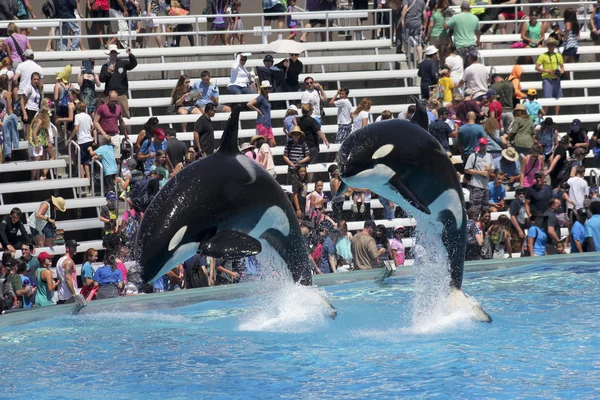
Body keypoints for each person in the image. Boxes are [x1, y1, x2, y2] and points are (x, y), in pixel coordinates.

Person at [99, 46, 137, 119]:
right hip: (109, 96)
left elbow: (133, 64)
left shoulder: (123, 63)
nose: (113, 54)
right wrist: (108, 71)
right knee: (108, 117)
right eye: (112, 52)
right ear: (109, 54)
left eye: (115, 52)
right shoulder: (105, 66)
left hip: (121, 94)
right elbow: (101, 79)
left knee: (125, 117)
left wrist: (130, 54)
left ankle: (125, 131)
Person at [297, 104, 329, 183]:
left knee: (303, 164)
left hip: (302, 145)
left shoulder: (299, 121)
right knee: (311, 165)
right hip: (312, 145)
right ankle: (309, 182)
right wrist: (325, 140)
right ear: (310, 111)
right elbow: (318, 131)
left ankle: (302, 181)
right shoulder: (312, 120)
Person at [94, 90, 129, 162]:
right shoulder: (102, 108)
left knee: (117, 158)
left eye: (115, 101)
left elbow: (121, 121)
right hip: (104, 135)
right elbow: (95, 121)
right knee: (104, 158)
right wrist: (103, 133)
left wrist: (125, 134)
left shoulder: (118, 108)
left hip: (115, 135)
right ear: (108, 98)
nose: (113, 103)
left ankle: (116, 173)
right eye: (112, 101)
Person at [445, 2, 480, 67]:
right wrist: (478, 40)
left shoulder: (455, 17)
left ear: (461, 8)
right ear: (469, 9)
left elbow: (445, 26)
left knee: (459, 67)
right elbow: (478, 31)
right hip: (471, 45)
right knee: (471, 67)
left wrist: (446, 18)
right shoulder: (475, 18)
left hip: (459, 46)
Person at [535, 38, 564, 116]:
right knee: (547, 99)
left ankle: (556, 115)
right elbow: (537, 67)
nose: (551, 46)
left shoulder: (558, 55)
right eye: (550, 44)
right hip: (547, 79)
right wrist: (548, 71)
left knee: (558, 98)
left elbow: (562, 67)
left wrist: (561, 73)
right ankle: (544, 116)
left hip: (556, 79)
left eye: (552, 44)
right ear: (547, 46)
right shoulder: (543, 56)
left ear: (555, 46)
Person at [67, 102, 95, 182]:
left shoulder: (77, 116)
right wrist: (88, 131)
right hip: (89, 139)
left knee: (80, 161)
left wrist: (70, 138)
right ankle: (88, 178)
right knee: (86, 161)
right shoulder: (88, 116)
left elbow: (76, 129)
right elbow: (93, 127)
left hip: (82, 141)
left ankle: (82, 178)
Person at [465, 138, 493, 213]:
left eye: (484, 145)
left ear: (487, 145)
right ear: (479, 145)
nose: (482, 147)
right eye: (481, 145)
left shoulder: (489, 156)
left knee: (485, 209)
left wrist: (489, 169)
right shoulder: (473, 155)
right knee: (475, 208)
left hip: (486, 186)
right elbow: (467, 169)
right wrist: (481, 172)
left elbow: (493, 170)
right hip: (476, 185)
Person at [247, 81, 276, 148]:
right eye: (265, 88)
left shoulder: (266, 97)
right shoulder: (261, 97)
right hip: (262, 123)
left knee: (273, 144)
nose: (267, 90)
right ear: (262, 89)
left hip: (268, 123)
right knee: (264, 144)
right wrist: (257, 110)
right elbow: (249, 104)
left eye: (268, 88)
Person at [56, 240, 80, 304]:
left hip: (62, 296)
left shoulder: (60, 260)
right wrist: (74, 294)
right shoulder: (69, 262)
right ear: (67, 248)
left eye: (75, 247)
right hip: (69, 296)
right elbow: (67, 279)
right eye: (73, 247)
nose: (75, 249)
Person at [562, 8, 580, 77]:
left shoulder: (568, 23)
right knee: (570, 65)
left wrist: (565, 35)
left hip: (568, 46)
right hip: (575, 46)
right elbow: (578, 37)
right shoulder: (576, 23)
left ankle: (567, 79)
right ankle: (571, 82)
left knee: (562, 63)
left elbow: (566, 37)